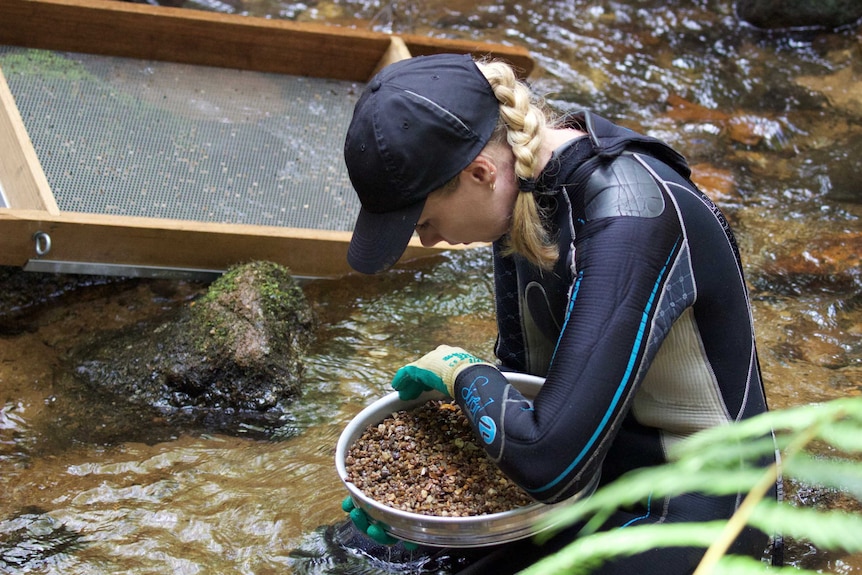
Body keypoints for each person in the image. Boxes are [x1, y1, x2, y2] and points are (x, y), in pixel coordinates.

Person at [338, 52, 777, 574]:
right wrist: (416, 516)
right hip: (588, 484)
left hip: (696, 516)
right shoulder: (518, 192)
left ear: (480, 172)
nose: (424, 239)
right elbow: (533, 390)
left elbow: (550, 465)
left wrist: (460, 371)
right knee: (354, 550)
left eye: (425, 220)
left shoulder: (630, 220)